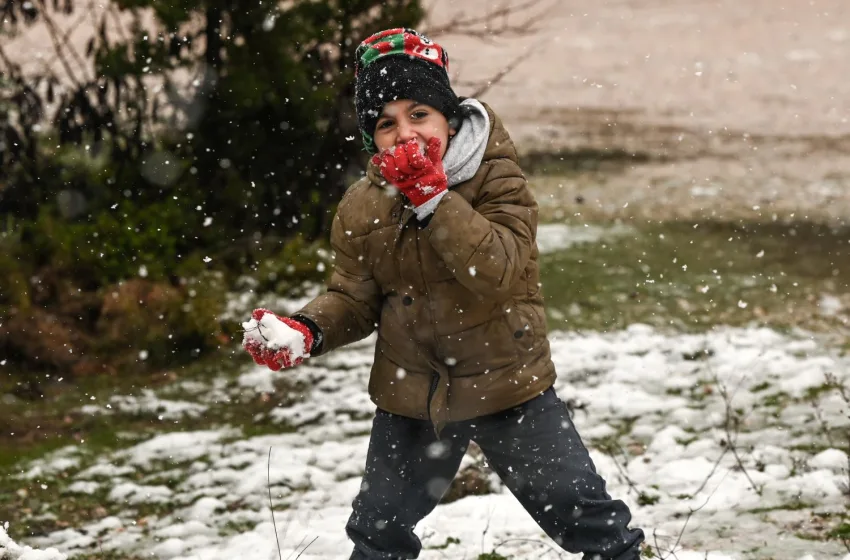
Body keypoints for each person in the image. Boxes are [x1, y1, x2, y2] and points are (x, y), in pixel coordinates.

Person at [242, 27, 645, 560]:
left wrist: (432, 195)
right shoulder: (363, 207)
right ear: (371, 139)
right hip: (413, 394)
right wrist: (307, 330)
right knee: (378, 529)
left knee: (583, 513)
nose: (403, 132)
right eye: (385, 124)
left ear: (448, 120)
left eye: (419, 114)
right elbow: (354, 297)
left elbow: (499, 270)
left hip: (507, 384)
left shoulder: (495, 178)